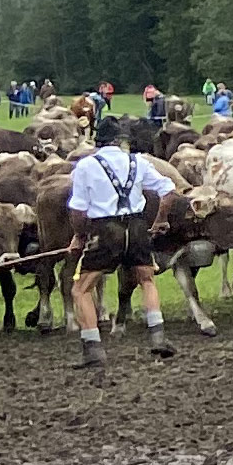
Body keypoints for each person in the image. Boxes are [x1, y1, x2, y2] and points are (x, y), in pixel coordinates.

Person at [67, 117, 175, 368]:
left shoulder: (86, 166)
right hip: (137, 228)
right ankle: (157, 336)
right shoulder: (138, 161)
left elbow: (77, 210)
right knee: (147, 280)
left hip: (105, 231)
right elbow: (168, 191)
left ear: (98, 141)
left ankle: (93, 348)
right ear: (120, 141)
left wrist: (80, 236)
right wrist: (160, 220)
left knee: (81, 289)